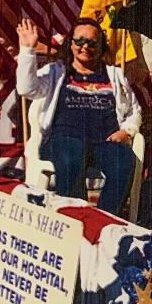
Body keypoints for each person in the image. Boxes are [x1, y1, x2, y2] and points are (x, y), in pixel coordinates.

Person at [16, 17, 141, 217]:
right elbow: (26, 89)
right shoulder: (56, 72)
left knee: (124, 160)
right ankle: (74, 217)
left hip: (104, 142)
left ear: (100, 46)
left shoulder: (115, 75)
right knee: (71, 152)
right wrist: (28, 51)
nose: (85, 47)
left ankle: (105, 220)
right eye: (80, 41)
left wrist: (127, 130)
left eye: (92, 42)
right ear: (70, 43)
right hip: (63, 140)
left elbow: (134, 110)